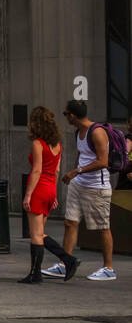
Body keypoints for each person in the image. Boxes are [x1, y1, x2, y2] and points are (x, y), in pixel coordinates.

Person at [41, 100, 116, 281]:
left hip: (96, 187)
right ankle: (65, 263)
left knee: (102, 227)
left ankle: (108, 268)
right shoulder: (78, 133)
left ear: (72, 116)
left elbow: (103, 161)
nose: (65, 117)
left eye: (66, 114)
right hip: (79, 184)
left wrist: (76, 171)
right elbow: (82, 155)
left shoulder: (97, 132)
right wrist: (75, 173)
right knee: (70, 222)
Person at [18, 106, 74, 283]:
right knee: (40, 233)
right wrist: (55, 194)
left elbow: (36, 170)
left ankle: (36, 274)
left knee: (35, 235)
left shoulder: (37, 144)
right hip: (50, 189)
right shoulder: (58, 145)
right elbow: (56, 171)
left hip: (39, 189)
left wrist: (28, 195)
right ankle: (68, 260)